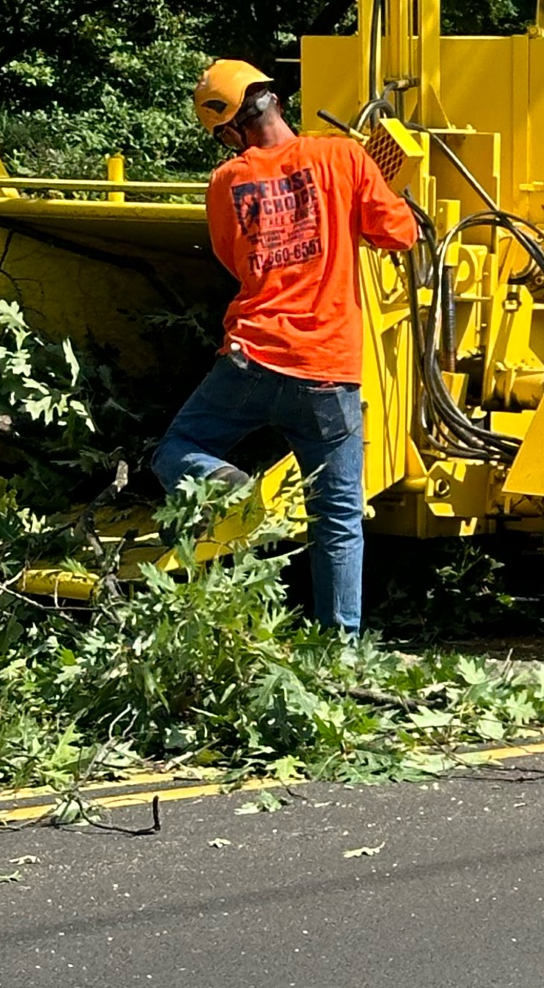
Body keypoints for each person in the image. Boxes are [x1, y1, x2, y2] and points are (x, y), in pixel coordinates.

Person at [153, 59, 417, 639]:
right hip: (327, 371)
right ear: (272, 99)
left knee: (178, 447)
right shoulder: (343, 157)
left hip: (252, 358)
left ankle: (225, 478)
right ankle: (339, 650)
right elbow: (399, 233)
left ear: (228, 132)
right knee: (339, 520)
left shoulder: (226, 182)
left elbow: (231, 259)